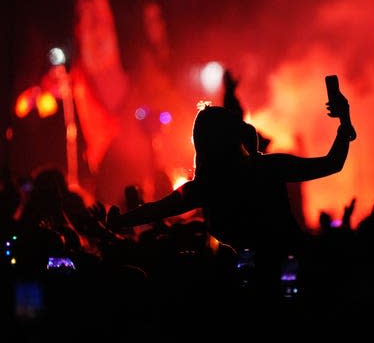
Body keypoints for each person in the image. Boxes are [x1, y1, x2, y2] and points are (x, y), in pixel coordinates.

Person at [107, 77, 356, 298]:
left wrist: (120, 222)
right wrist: (344, 121)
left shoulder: (206, 186)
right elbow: (331, 164)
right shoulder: (267, 166)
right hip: (292, 269)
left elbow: (157, 209)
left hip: (252, 283)